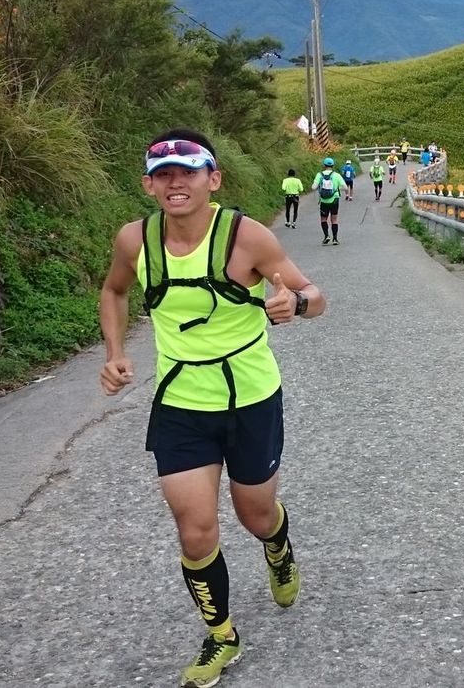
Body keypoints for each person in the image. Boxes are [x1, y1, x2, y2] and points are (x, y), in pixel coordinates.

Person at [98, 129, 326, 688]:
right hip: (181, 402)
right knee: (195, 530)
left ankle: (277, 547)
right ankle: (221, 634)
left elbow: (315, 295)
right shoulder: (135, 240)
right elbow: (114, 291)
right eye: (164, 174)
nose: (176, 183)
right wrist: (115, 353)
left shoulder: (246, 237)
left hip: (250, 399)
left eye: (188, 172)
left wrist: (293, 303)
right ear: (149, 185)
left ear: (213, 180)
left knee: (255, 515)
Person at [313, 158, 345, 245]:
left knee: (323, 219)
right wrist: (337, 188)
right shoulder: (336, 175)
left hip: (324, 201)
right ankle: (335, 239)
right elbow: (345, 187)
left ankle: (326, 236)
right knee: (334, 220)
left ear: (324, 165)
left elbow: (313, 187)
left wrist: (320, 187)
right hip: (334, 200)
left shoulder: (319, 175)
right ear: (333, 165)